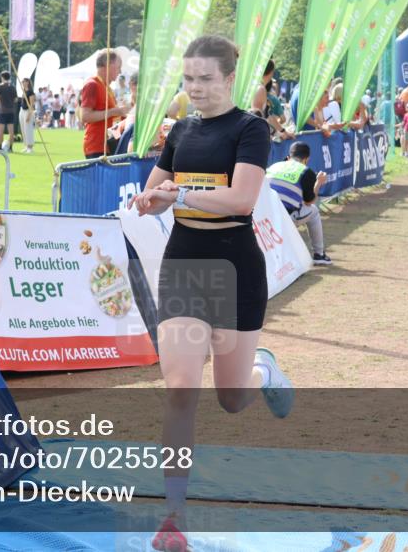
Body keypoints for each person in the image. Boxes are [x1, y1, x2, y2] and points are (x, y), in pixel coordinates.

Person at [128, 34, 293, 552]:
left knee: (231, 398)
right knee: (180, 389)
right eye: (187, 79)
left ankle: (260, 370)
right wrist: (149, 199)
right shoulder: (180, 131)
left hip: (235, 269)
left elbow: (242, 201)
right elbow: (158, 194)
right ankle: (173, 516)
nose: (194, 89)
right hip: (183, 265)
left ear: (227, 79)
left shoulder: (250, 129)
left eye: (204, 79)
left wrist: (181, 193)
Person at [266, 141, 331, 265]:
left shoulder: (274, 166)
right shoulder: (305, 171)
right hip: (283, 217)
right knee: (314, 210)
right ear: (307, 159)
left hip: (263, 217)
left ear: (289, 156)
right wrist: (318, 182)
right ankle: (319, 254)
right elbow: (309, 202)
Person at [80, 49, 129, 158]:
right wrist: (114, 111)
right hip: (96, 147)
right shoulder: (92, 84)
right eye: (118, 67)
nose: (119, 71)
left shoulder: (106, 87)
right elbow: (85, 116)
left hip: (108, 146)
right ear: (108, 65)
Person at [0, 71, 18, 151]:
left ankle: (0, 147)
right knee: (11, 132)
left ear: (2, 77)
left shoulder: (0, 86)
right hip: (11, 111)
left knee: (1, 131)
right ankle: (11, 148)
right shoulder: (12, 87)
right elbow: (15, 99)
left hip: (2, 111)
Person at [19, 78, 36, 153]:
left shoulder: (30, 92)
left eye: (25, 82)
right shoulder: (24, 91)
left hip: (27, 111)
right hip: (22, 110)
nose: (23, 83)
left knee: (28, 128)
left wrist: (29, 115)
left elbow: (32, 104)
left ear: (28, 82)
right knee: (23, 129)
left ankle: (30, 146)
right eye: (22, 82)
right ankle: (26, 145)